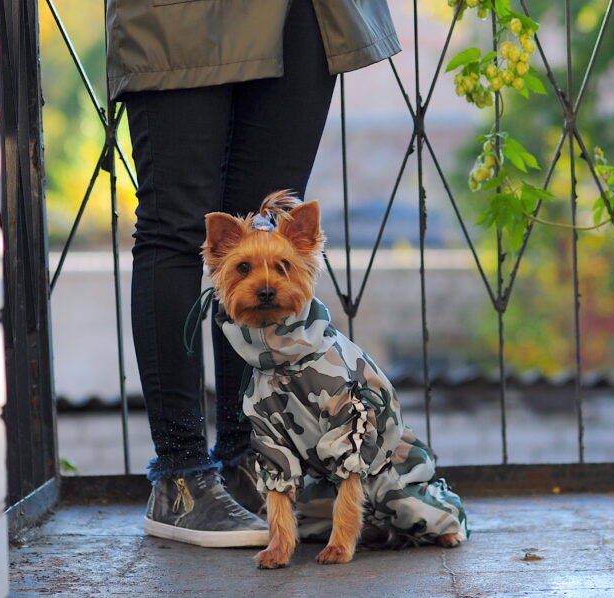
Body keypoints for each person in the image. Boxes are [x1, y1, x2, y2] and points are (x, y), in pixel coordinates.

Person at [106, 0, 400, 547]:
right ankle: (180, 478)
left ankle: (250, 463)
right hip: (184, 18)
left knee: (264, 224)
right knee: (178, 226)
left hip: (306, 14)